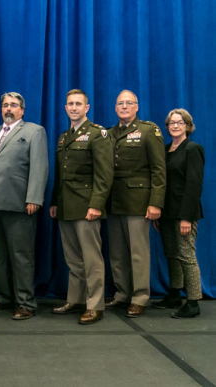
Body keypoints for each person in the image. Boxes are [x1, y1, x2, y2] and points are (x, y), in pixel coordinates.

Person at [0, 92, 48, 320]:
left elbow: (40, 167)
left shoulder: (34, 131)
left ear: (22, 110)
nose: (9, 109)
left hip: (20, 204)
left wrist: (34, 198)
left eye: (14, 105)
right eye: (5, 105)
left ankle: (26, 302)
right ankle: (5, 296)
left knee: (21, 256)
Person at [49, 89, 113, 325]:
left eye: (78, 104)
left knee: (92, 258)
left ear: (87, 108)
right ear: (65, 108)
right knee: (74, 259)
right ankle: (75, 300)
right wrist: (55, 201)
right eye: (70, 104)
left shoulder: (98, 134)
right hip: (66, 205)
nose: (74, 107)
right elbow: (60, 175)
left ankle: (95, 305)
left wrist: (96, 205)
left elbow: (104, 175)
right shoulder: (64, 137)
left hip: (87, 206)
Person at [105, 90, 166, 318]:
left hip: (139, 203)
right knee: (117, 253)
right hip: (114, 202)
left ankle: (140, 297)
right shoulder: (109, 134)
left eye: (129, 103)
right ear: (115, 107)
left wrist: (156, 203)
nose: (124, 106)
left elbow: (159, 170)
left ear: (137, 106)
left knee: (138, 253)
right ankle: (122, 293)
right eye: (120, 103)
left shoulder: (149, 131)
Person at [151, 109, 204, 318]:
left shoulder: (193, 149)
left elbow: (194, 186)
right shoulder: (165, 150)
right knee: (171, 254)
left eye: (180, 122)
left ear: (188, 126)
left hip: (184, 213)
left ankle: (193, 302)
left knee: (186, 256)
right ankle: (174, 293)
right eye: (171, 123)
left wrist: (186, 217)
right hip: (166, 213)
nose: (175, 126)